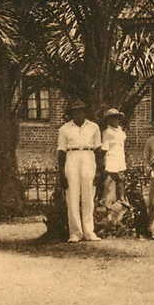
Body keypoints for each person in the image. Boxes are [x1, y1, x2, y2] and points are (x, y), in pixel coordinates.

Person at [56, 100, 103, 243]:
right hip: (72, 158)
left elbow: (98, 150)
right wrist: (61, 174)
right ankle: (75, 233)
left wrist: (99, 171)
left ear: (85, 112)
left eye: (81, 111)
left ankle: (89, 231)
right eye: (75, 111)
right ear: (71, 113)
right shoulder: (64, 129)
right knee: (72, 197)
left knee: (88, 195)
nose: (78, 114)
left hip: (88, 157)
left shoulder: (94, 127)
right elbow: (61, 152)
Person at [100, 107, 127, 203]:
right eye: (112, 118)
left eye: (116, 118)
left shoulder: (120, 131)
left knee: (121, 179)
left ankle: (121, 199)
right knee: (111, 179)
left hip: (120, 158)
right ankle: (106, 199)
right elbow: (104, 149)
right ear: (108, 120)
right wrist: (103, 162)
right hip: (111, 158)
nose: (115, 120)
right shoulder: (107, 132)